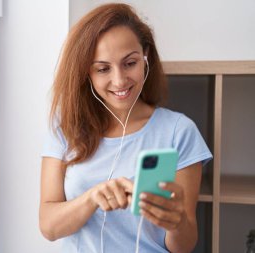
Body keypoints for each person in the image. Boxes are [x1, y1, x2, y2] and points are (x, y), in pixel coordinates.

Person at [39, 3, 212, 253]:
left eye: (129, 63)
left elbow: (183, 246)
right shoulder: (65, 127)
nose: (119, 80)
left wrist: (178, 222)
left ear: (146, 58)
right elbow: (49, 227)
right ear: (86, 73)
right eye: (103, 68)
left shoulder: (179, 131)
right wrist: (92, 198)